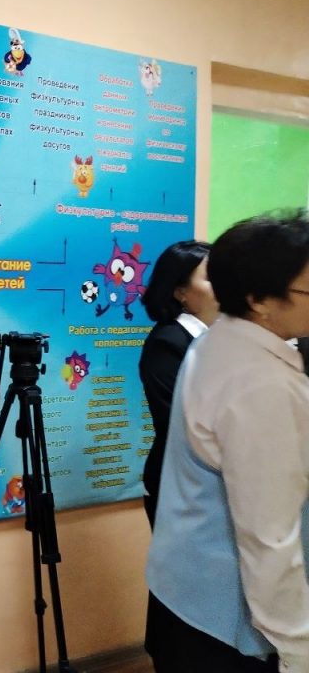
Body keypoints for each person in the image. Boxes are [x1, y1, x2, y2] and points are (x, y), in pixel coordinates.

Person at [146, 213, 309, 673]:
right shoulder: (260, 383)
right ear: (259, 299)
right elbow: (268, 535)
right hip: (230, 617)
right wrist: (298, 648)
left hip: (188, 592)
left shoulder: (221, 340)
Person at [138, 239, 217, 527]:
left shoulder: (221, 338)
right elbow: (179, 421)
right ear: (180, 291)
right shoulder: (167, 343)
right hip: (180, 483)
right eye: (211, 277)